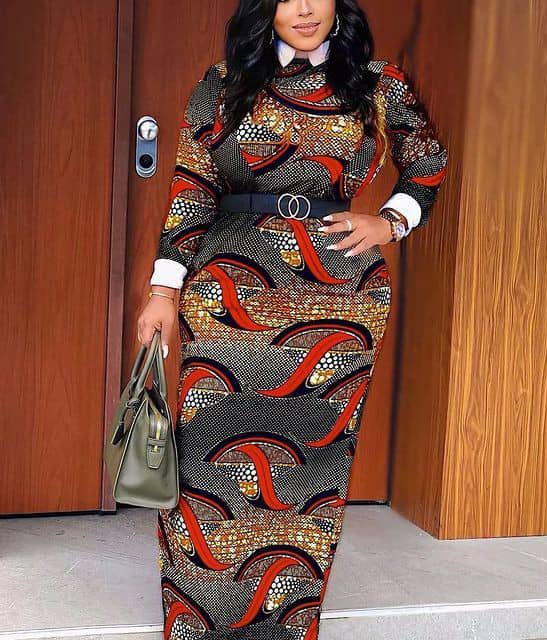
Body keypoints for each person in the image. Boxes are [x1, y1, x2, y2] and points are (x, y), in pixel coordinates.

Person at [137, 0, 448, 637]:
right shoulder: (224, 83)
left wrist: (390, 222)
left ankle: (286, 625)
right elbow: (191, 187)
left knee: (313, 466)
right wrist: (164, 290)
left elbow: (428, 166)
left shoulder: (376, 82)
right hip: (228, 289)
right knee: (206, 459)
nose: (305, 8)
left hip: (338, 295)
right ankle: (198, 622)